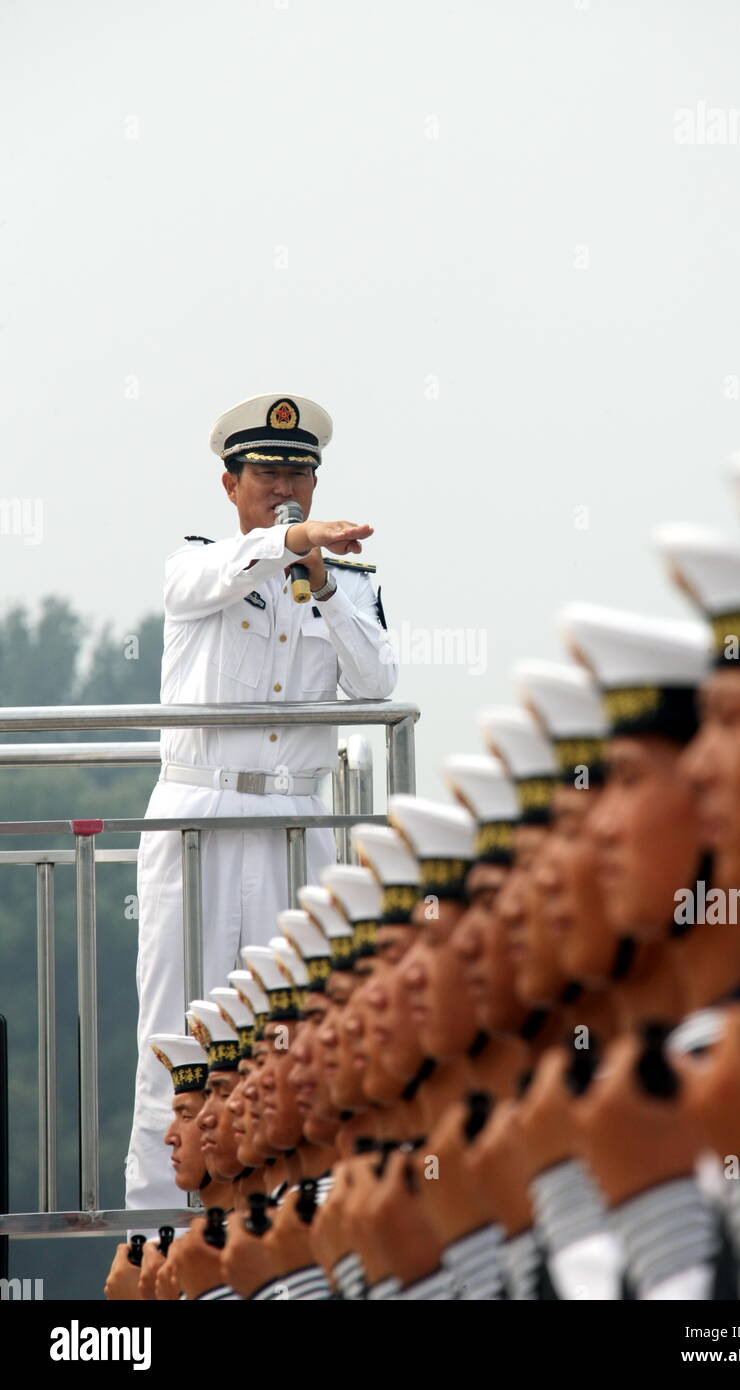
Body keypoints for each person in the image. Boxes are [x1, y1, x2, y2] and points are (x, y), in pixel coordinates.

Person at [126, 393, 398, 1213]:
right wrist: (282, 545)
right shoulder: (199, 563)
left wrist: (318, 581)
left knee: (295, 1029)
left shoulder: (346, 583)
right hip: (199, 818)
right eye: (269, 470)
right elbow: (202, 585)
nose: (286, 483)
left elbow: (378, 683)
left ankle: (290, 1229)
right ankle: (160, 1229)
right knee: (178, 1029)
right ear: (229, 483)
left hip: (296, 826)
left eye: (299, 472)